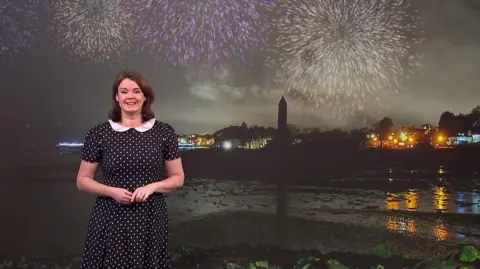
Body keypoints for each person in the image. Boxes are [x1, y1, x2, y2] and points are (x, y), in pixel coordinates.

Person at [76, 70, 185, 269]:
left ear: (145, 97)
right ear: (116, 97)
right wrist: (111, 191)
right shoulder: (98, 134)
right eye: (124, 91)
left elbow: (178, 178)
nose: (130, 97)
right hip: (110, 216)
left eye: (136, 91)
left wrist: (152, 187)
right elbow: (82, 180)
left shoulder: (164, 132)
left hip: (151, 217)